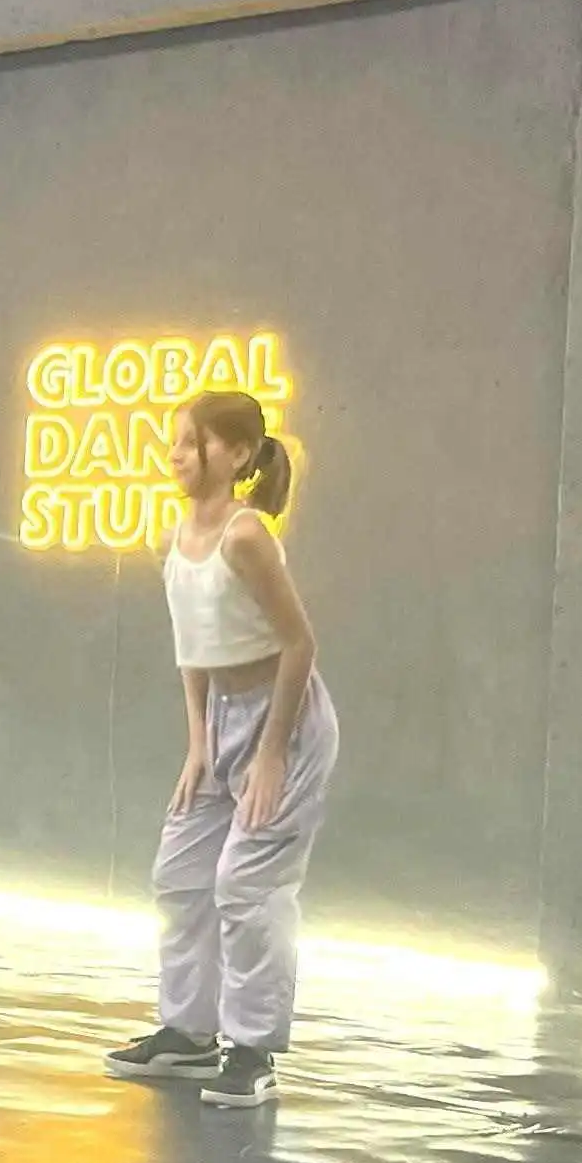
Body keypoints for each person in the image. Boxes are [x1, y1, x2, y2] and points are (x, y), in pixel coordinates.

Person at [105, 392, 337, 1108]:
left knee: (247, 886)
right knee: (181, 875)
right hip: (221, 719)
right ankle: (189, 1033)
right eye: (175, 441)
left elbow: (299, 643)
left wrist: (271, 753)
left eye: (191, 442)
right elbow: (193, 651)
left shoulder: (246, 536)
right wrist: (198, 742)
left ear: (236, 454)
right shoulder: (175, 538)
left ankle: (253, 1050)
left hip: (285, 720)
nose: (176, 455)